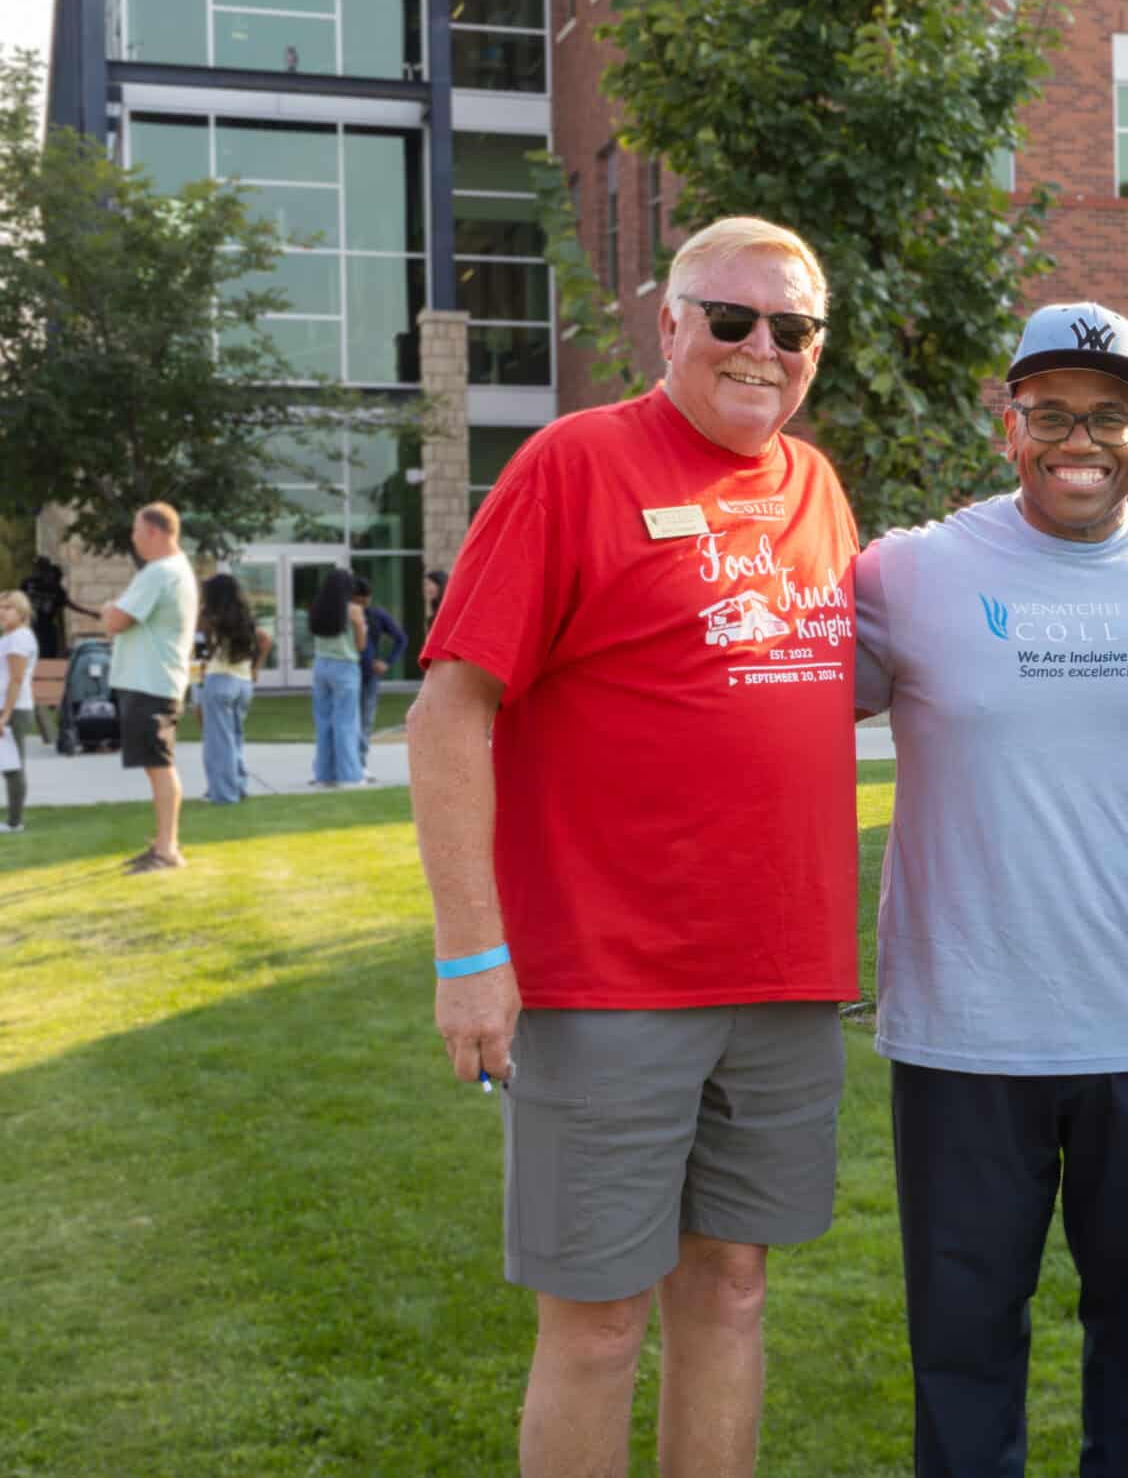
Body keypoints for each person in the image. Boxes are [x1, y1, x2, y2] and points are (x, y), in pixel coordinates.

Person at [410, 215, 861, 1477]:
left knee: (730, 1291)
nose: (761, 348)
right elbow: (449, 709)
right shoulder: (574, 463)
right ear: (667, 325)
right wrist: (468, 954)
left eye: (793, 328)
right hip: (609, 981)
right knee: (599, 1323)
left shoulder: (816, 484)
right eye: (730, 319)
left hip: (783, 978)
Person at [853, 301, 1128, 1478]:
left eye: (1110, 414)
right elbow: (752, 711)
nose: (1081, 438)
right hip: (966, 1035)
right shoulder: (907, 574)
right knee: (964, 1354)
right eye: (1053, 412)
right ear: (1006, 421)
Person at [101, 504, 201, 874]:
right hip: (155, 680)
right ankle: (162, 844)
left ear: (155, 532)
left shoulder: (159, 572)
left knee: (160, 766)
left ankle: (167, 850)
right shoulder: (176, 570)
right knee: (156, 764)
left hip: (150, 682)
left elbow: (116, 620)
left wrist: (108, 607)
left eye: (136, 530)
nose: (133, 537)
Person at [196, 574, 270, 806]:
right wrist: (256, 668)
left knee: (218, 742)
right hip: (243, 682)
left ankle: (224, 794)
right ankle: (238, 785)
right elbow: (264, 638)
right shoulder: (245, 616)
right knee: (235, 738)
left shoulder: (208, 616)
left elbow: (197, 643)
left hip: (219, 680)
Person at [306, 569, 368, 790]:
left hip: (321, 666)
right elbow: (360, 645)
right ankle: (350, 776)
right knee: (346, 722)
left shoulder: (318, 608)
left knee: (323, 722)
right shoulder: (353, 610)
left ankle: (324, 774)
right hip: (345, 666)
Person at [349, 575, 409, 775]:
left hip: (369, 675)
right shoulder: (346, 614)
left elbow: (400, 639)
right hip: (349, 671)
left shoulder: (376, 615)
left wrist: (387, 662)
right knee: (348, 719)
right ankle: (349, 762)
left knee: (365, 718)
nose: (363, 603)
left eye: (366, 599)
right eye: (359, 599)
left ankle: (361, 761)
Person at [0, 589, 37, 832]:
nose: (1, 611)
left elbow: (16, 679)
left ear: (22, 612)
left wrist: (5, 716)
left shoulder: (19, 639)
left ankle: (15, 822)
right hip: (7, 709)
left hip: (12, 710)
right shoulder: (9, 637)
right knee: (8, 765)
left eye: (7, 607)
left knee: (13, 766)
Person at [25, 554, 99, 661]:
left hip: (45, 627)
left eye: (42, 568)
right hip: (32, 625)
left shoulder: (55, 588)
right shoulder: (28, 584)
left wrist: (90, 613)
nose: (39, 572)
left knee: (46, 655)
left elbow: (65, 608)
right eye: (38, 568)